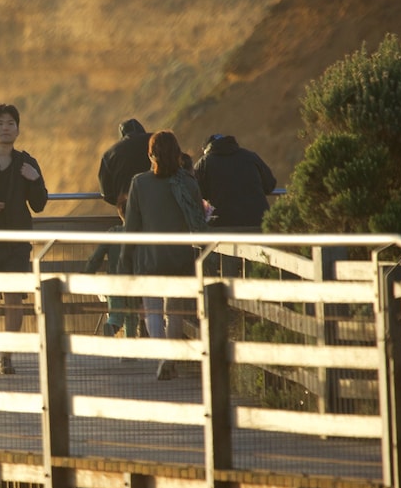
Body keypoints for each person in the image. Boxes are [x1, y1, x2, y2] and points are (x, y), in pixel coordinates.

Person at [119, 130, 206, 380]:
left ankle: (163, 358)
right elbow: (199, 220)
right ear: (178, 154)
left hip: (150, 258)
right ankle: (170, 358)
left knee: (153, 311)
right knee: (175, 312)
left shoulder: (140, 183)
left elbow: (132, 225)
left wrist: (126, 258)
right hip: (180, 258)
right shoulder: (188, 183)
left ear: (150, 154)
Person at [0, 104, 48, 375]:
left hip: (16, 241)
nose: (5, 128)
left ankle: (7, 355)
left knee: (15, 298)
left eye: (11, 123)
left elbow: (39, 205)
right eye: (0, 123)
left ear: (18, 128)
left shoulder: (27, 162)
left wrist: (35, 180)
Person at [193, 134, 276, 228]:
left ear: (206, 149)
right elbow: (270, 185)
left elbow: (196, 194)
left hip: (225, 225)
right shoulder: (251, 156)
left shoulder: (204, 163)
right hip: (260, 222)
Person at [98, 118, 153, 220]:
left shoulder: (108, 155)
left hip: (131, 213)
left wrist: (123, 202)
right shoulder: (157, 140)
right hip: (162, 206)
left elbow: (106, 194)